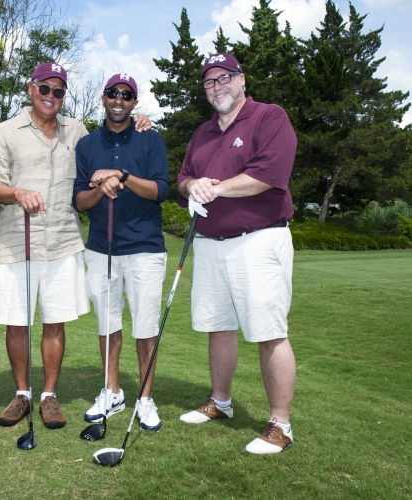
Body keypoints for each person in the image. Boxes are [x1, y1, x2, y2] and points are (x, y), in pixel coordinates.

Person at [0, 62, 152, 429]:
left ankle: (48, 395)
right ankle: (22, 395)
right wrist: (16, 192)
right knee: (16, 323)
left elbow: (111, 141)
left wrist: (141, 123)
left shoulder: (77, 131)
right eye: (44, 89)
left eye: (58, 91)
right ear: (31, 89)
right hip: (16, 242)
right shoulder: (5, 131)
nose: (51, 97)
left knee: (54, 322)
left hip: (62, 241)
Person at [176, 53, 297, 454]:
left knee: (268, 332)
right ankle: (221, 403)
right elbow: (182, 178)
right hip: (211, 245)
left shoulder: (269, 117)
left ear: (242, 79)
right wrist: (193, 186)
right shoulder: (202, 132)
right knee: (218, 327)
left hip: (258, 241)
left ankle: (280, 424)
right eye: (210, 82)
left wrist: (215, 187)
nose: (218, 87)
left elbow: (269, 173)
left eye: (225, 78)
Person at [73, 73, 170, 432]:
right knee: (108, 324)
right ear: (103, 98)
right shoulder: (86, 145)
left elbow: (161, 190)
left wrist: (122, 175)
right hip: (102, 247)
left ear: (135, 102)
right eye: (113, 93)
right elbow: (80, 201)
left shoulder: (151, 140)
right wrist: (101, 187)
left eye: (127, 95)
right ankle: (111, 391)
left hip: (144, 247)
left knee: (145, 327)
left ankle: (145, 398)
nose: (119, 99)